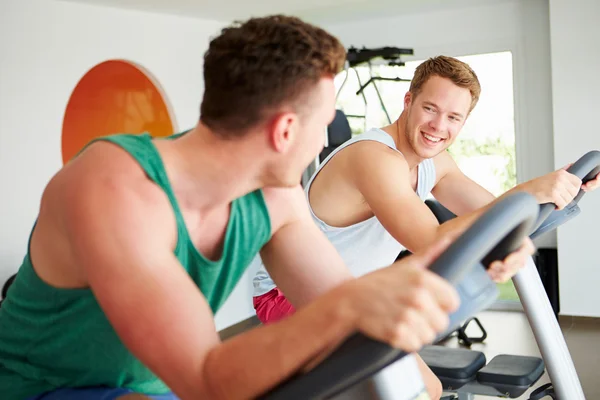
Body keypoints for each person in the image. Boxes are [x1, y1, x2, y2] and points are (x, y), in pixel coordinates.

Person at [0, 15, 494, 400]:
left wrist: (477, 251)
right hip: (46, 388)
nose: (326, 140)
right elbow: (207, 380)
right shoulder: (116, 192)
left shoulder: (275, 196)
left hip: (157, 384)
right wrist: (356, 303)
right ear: (284, 132)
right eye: (323, 124)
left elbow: (336, 301)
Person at [252, 55, 600, 399]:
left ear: (463, 123)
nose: (438, 126)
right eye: (430, 109)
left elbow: (491, 211)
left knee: (425, 390)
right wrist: (530, 191)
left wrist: (560, 190)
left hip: (355, 293)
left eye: (453, 117)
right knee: (413, 391)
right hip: (293, 296)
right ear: (408, 101)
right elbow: (431, 240)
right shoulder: (374, 157)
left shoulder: (434, 161)